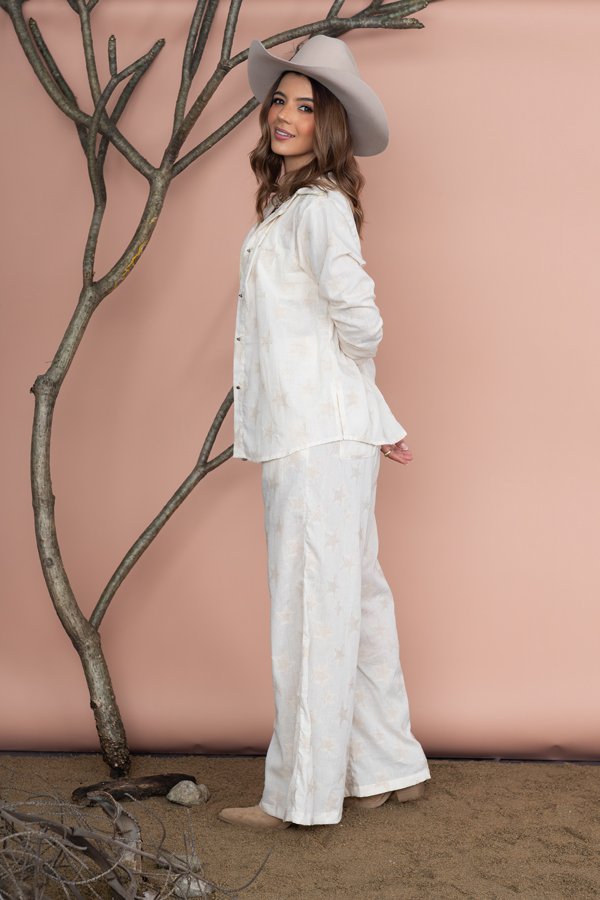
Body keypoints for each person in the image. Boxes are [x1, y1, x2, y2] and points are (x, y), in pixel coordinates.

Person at [218, 34, 431, 830]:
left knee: (311, 612)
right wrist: (370, 416)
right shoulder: (292, 209)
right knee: (357, 604)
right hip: (329, 434)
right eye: (280, 101)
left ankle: (301, 798)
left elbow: (361, 324)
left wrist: (351, 407)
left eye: (305, 107)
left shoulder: (317, 210)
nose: (284, 115)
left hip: (313, 441)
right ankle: (387, 767)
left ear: (329, 124)